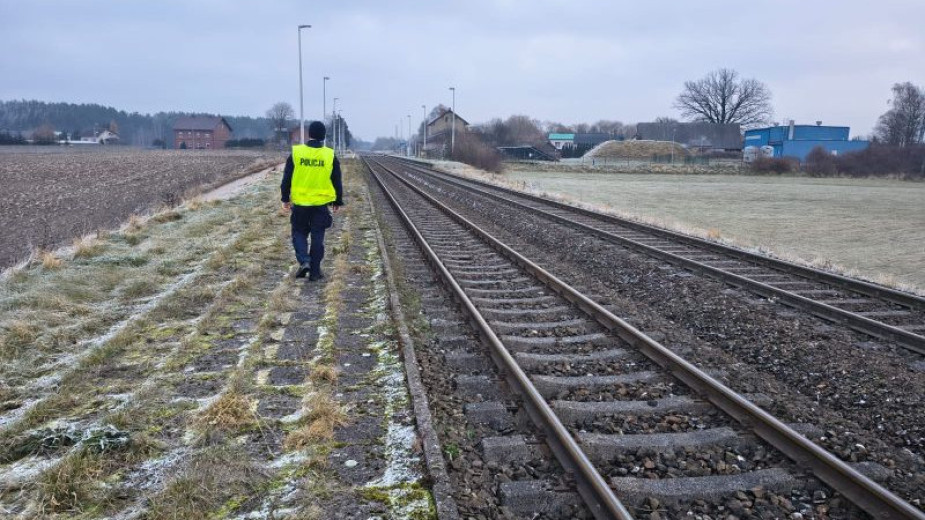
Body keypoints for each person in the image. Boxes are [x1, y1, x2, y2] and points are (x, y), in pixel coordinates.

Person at [280, 121, 343, 280]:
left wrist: (285, 198)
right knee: (317, 237)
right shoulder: (329, 155)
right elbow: (337, 179)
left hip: (301, 204)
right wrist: (338, 200)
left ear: (310, 135)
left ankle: (304, 261)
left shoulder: (297, 153)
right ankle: (315, 272)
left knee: (299, 232)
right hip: (320, 205)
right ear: (323, 136)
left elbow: (287, 178)